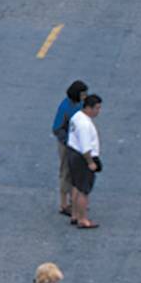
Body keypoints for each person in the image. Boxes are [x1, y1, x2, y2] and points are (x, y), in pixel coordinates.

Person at [64, 94, 104, 229]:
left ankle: (75, 214)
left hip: (72, 152)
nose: (99, 111)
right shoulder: (85, 125)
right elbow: (86, 147)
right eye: (97, 108)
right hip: (82, 158)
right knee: (84, 190)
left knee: (76, 185)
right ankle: (83, 219)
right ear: (88, 108)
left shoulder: (77, 116)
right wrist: (91, 162)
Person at [51, 79, 87, 214]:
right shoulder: (65, 107)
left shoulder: (81, 104)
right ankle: (63, 204)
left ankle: (74, 201)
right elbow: (56, 128)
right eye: (83, 94)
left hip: (78, 143)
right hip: (67, 145)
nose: (85, 96)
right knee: (66, 172)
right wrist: (68, 141)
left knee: (76, 173)